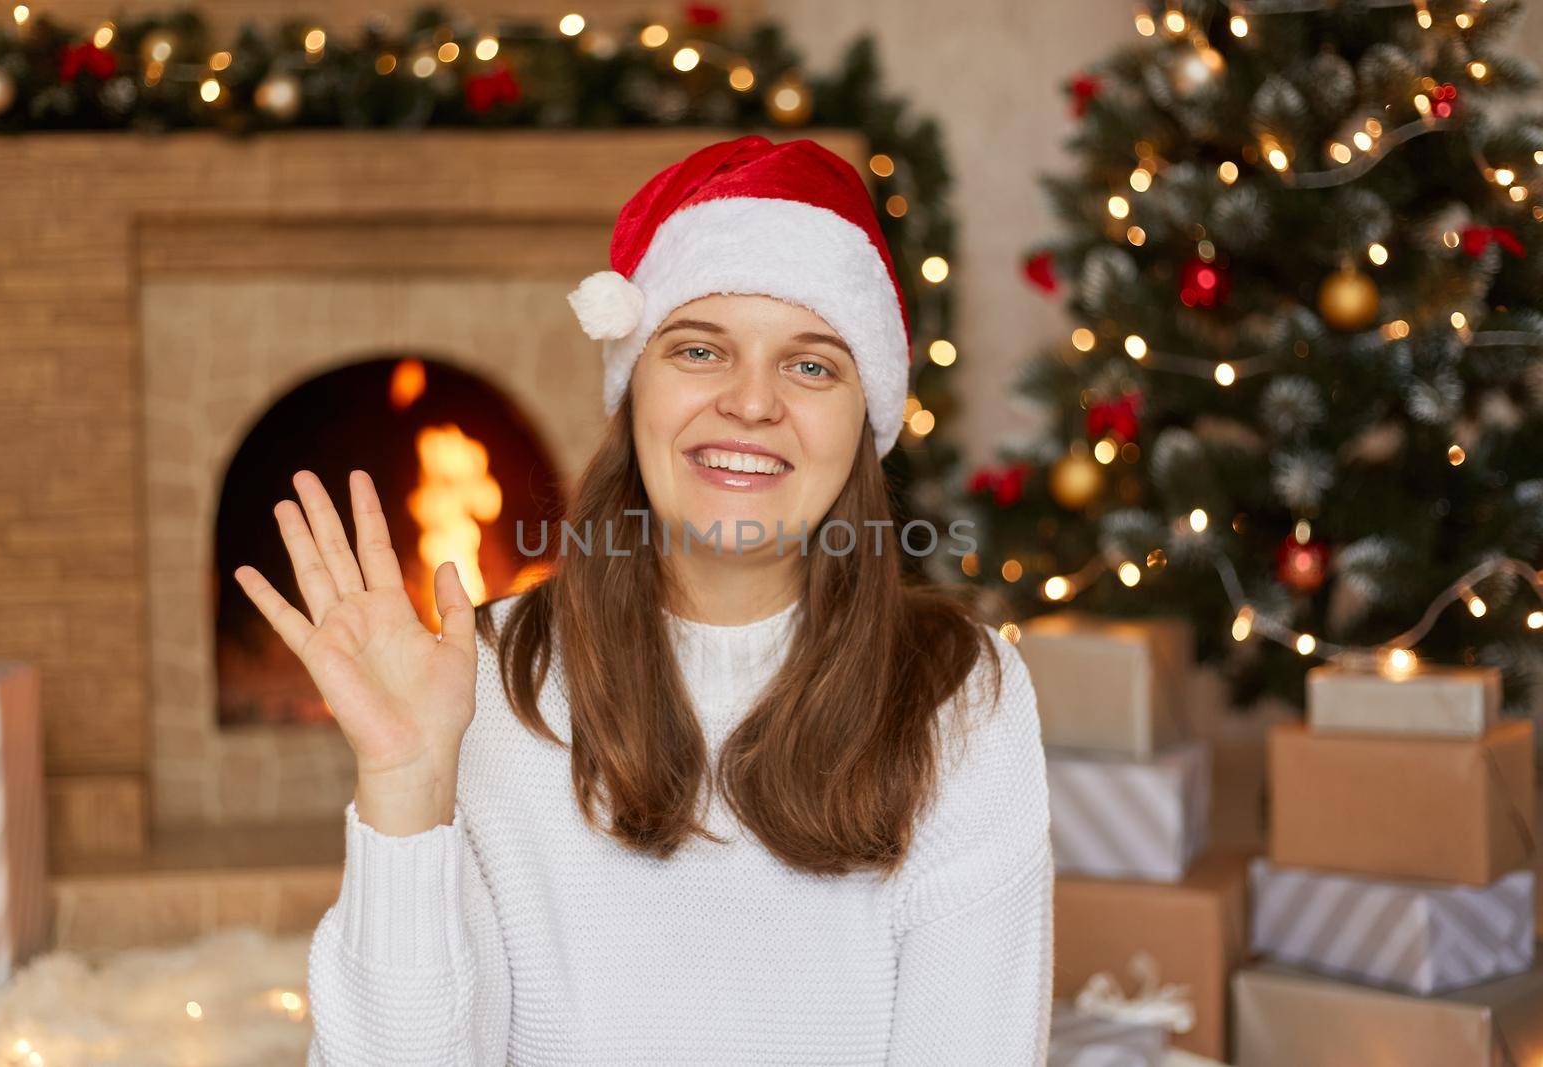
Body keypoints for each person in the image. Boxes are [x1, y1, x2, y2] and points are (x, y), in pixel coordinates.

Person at [235, 134, 1052, 1066]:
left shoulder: (962, 693)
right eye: (700, 349)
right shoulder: (488, 680)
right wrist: (407, 786)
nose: (752, 402)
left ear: (863, 423)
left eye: (812, 364)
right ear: (634, 394)